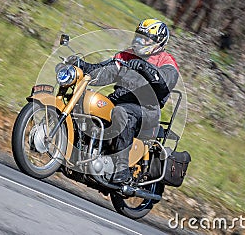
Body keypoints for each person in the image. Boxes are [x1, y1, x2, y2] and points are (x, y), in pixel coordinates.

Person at [69, 19, 179, 183]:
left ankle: (122, 169)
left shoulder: (166, 61)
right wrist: (82, 66)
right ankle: (79, 152)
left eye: (146, 39)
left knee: (122, 113)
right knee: (89, 103)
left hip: (146, 109)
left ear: (158, 42)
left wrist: (145, 67)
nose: (140, 41)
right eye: (138, 36)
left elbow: (164, 83)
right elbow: (106, 72)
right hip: (120, 100)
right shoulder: (127, 55)